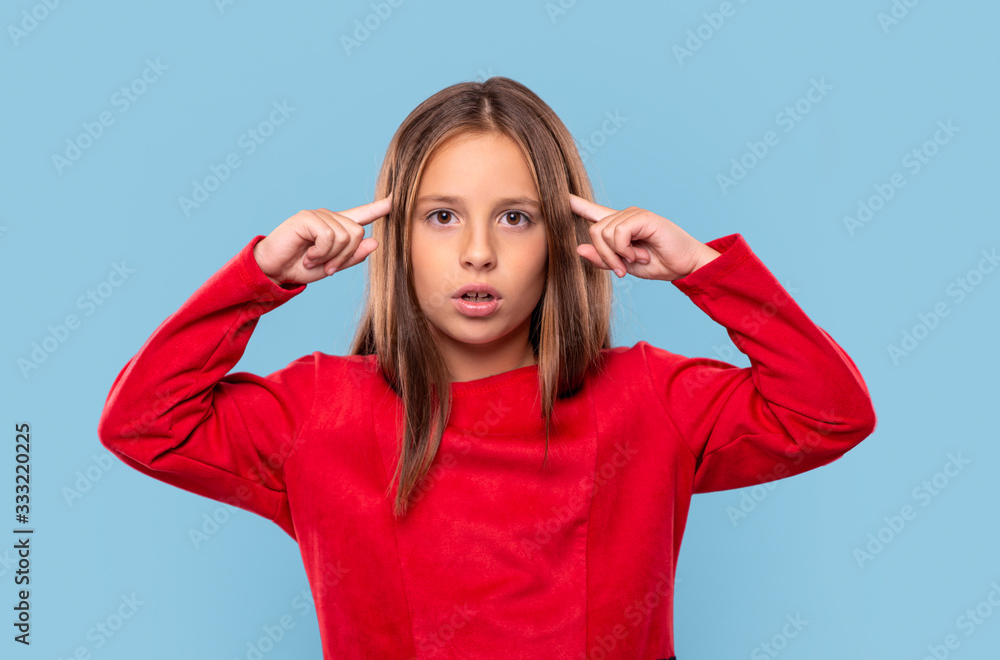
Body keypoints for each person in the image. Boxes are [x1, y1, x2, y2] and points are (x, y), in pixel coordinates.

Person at [97, 76, 877, 660]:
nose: (477, 251)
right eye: (442, 216)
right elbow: (142, 424)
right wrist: (259, 276)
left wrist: (703, 268)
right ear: (398, 236)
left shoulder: (648, 398)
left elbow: (829, 412)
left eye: (515, 216)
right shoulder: (318, 413)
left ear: (560, 236)